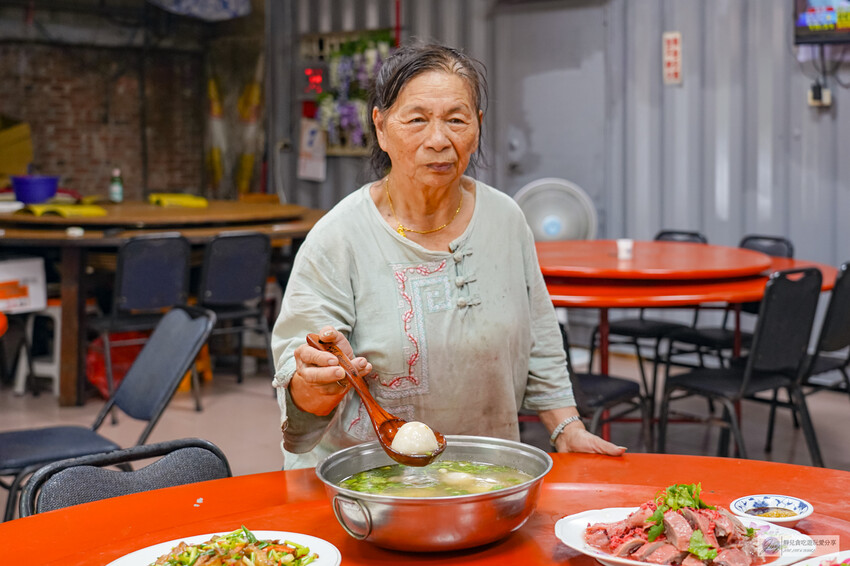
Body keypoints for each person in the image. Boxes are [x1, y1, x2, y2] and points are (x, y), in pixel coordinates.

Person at [271, 43, 625, 469]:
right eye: (417, 120)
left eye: (456, 120)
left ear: (476, 126)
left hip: (488, 477)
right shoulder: (340, 237)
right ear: (381, 127)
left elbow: (541, 342)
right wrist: (315, 384)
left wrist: (566, 428)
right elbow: (300, 379)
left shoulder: (505, 220)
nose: (439, 140)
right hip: (369, 481)